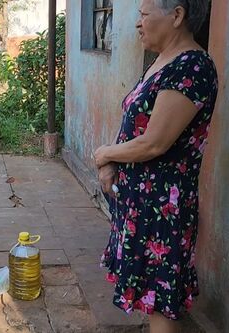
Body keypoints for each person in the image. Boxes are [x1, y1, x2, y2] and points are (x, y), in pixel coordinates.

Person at [92, 1, 217, 332]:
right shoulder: (163, 62)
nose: (137, 24)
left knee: (160, 298)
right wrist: (112, 165)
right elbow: (135, 126)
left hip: (164, 209)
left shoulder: (192, 67)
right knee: (150, 291)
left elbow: (154, 142)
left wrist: (106, 154)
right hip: (141, 203)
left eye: (144, 15)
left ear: (177, 16)